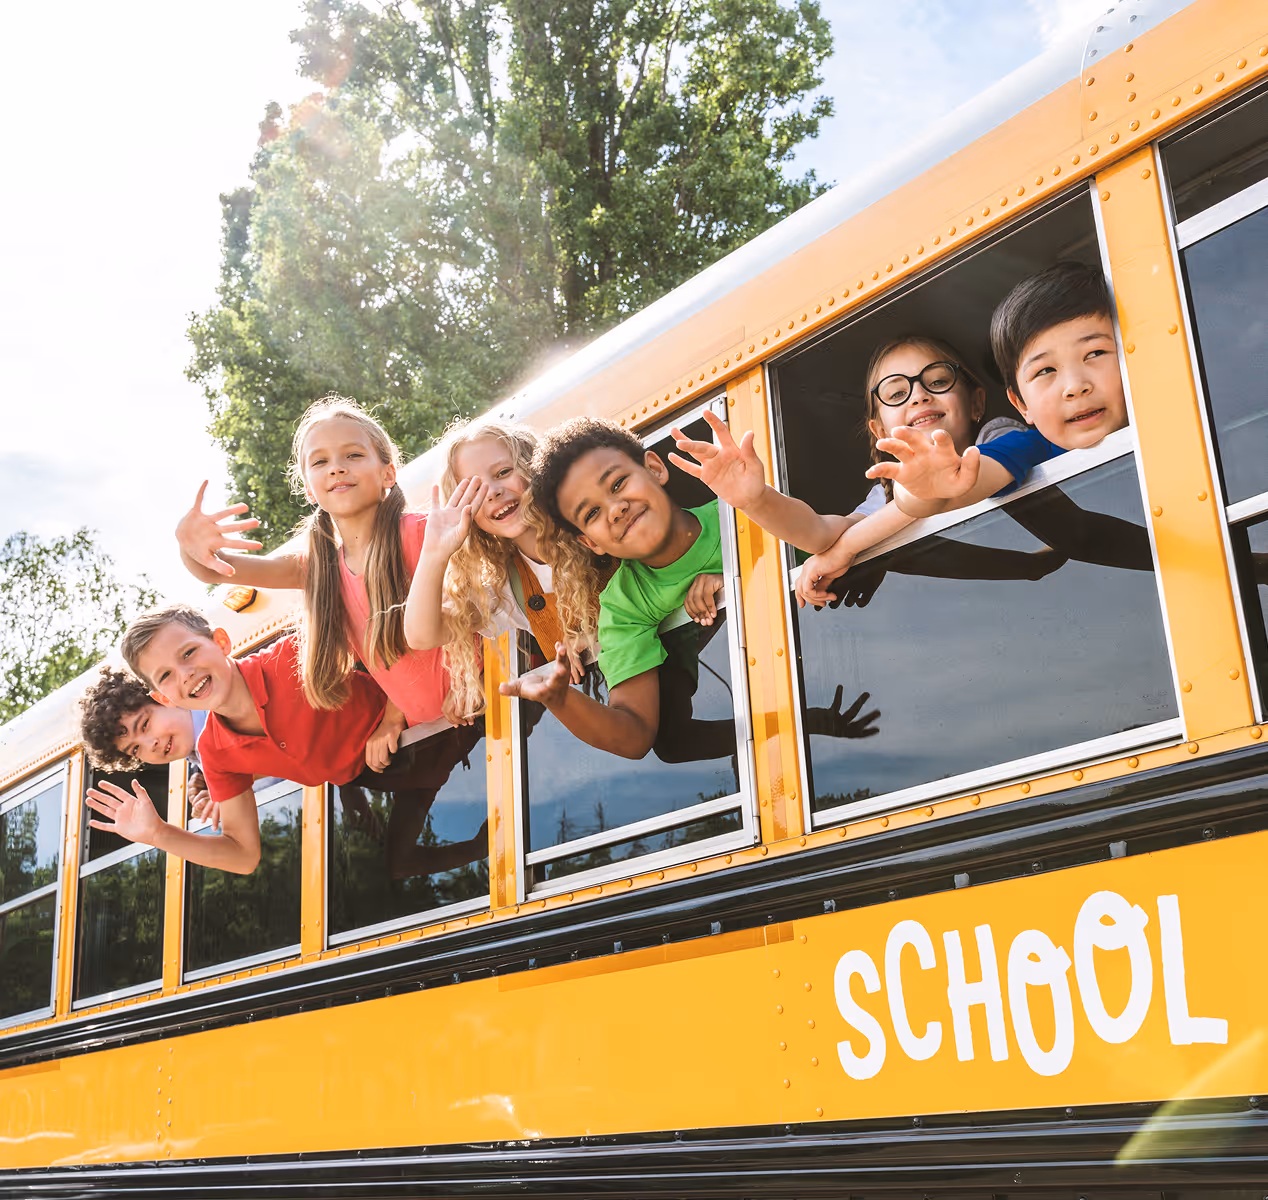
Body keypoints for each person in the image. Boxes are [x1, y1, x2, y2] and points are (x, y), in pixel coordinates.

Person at [502, 418, 879, 759]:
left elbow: (835, 538)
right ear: (590, 543)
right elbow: (638, 736)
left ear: (654, 468)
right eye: (592, 514)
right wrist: (562, 700)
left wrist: (739, 566)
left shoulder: (738, 515)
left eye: (618, 484)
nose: (615, 508)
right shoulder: (623, 604)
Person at [867, 262, 1129, 517]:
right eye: (1045, 370)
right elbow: (960, 484)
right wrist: (921, 490)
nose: (1075, 386)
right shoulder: (1026, 446)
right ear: (1021, 405)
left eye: (1095, 353)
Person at [401, 418, 614, 724]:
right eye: (476, 490)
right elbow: (421, 635)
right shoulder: (506, 588)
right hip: (606, 710)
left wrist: (595, 636)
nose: (493, 493)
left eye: (503, 472)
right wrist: (434, 553)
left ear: (536, 467)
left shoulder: (591, 523)